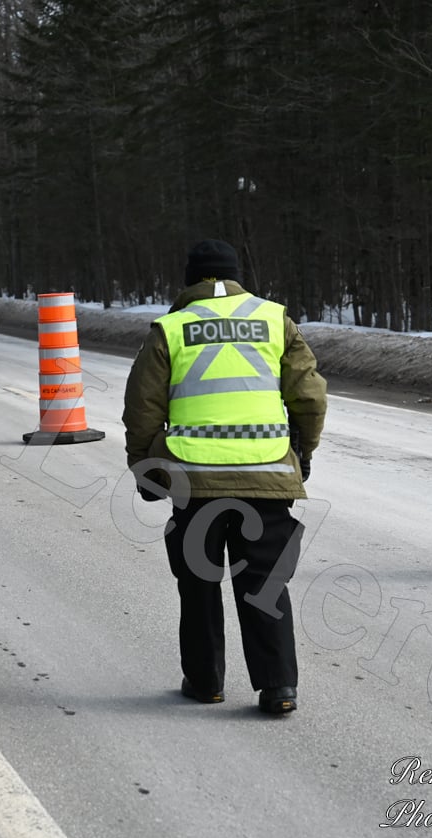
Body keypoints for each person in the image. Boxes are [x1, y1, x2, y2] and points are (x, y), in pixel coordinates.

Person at [122, 239, 326, 715]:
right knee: (266, 582)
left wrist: (146, 469)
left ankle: (206, 681)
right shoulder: (276, 320)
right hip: (268, 472)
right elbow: (310, 398)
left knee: (197, 582)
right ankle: (278, 687)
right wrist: (303, 453)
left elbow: (143, 408)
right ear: (237, 276)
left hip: (194, 480)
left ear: (189, 279)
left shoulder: (170, 329)